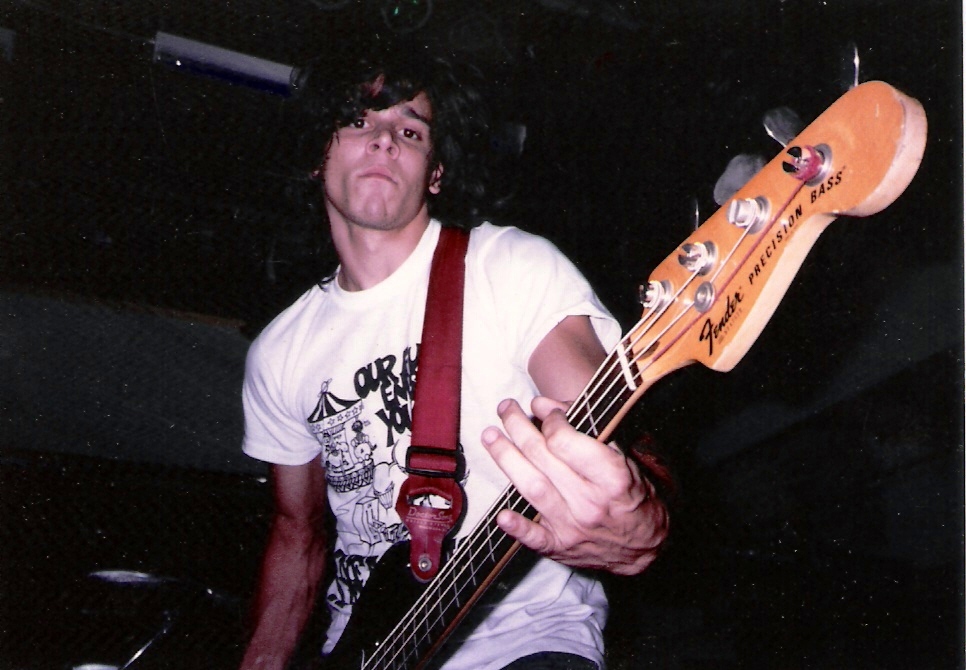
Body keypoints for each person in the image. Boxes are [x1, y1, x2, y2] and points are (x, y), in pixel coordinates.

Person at [239, 45, 670, 670]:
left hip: (525, 641)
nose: (384, 139)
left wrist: (642, 513)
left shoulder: (511, 268)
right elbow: (294, 535)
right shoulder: (280, 352)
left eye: (410, 129)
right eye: (360, 121)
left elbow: (618, 432)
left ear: (435, 172)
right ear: (316, 156)